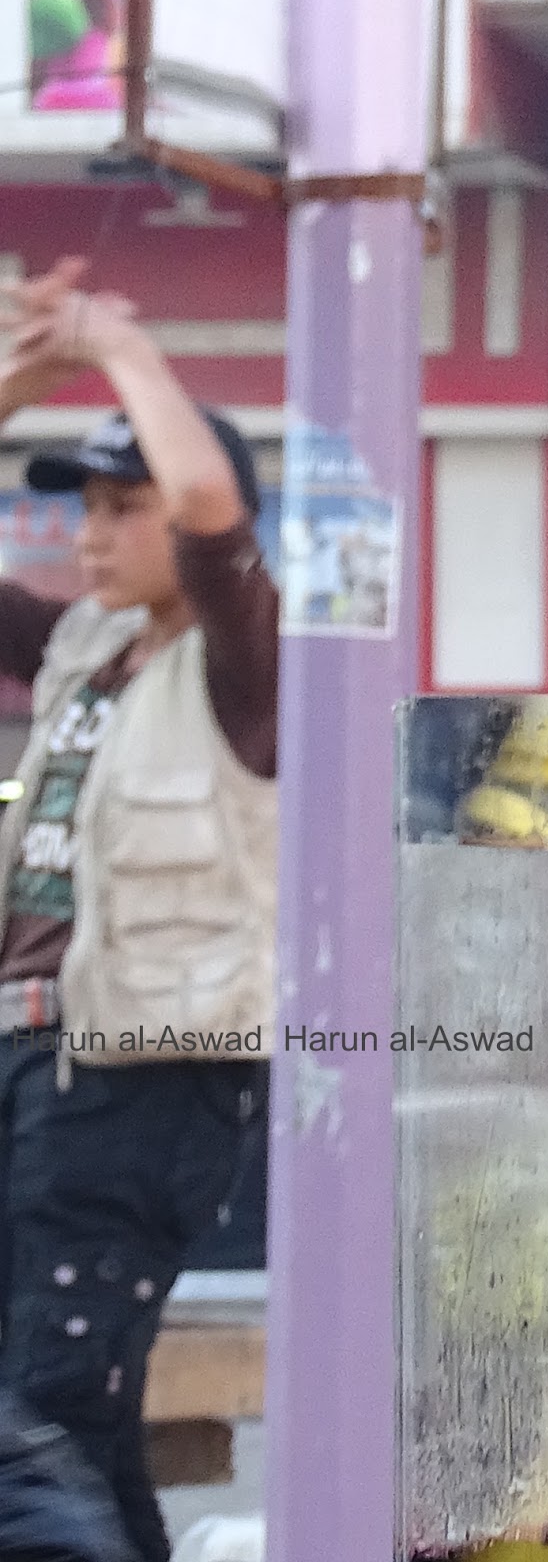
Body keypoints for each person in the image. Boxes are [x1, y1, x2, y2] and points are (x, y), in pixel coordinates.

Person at [0, 263, 272, 1562]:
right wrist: (23, 380)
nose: (90, 538)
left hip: (144, 1075)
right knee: (71, 1423)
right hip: (31, 1057)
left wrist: (122, 349)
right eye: (84, 511)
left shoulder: (246, 663)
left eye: (124, 509)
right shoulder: (82, 647)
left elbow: (214, 513)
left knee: (49, 1405)